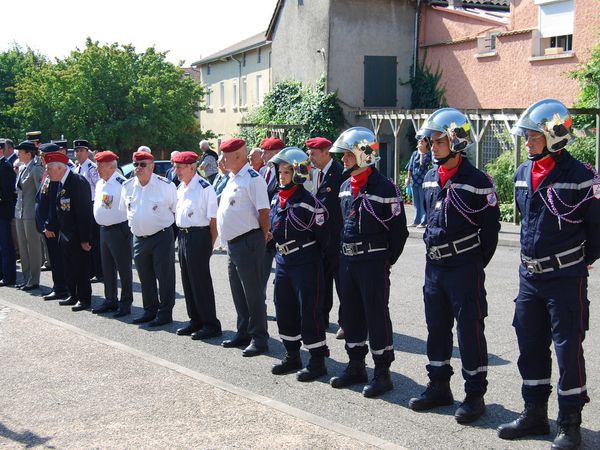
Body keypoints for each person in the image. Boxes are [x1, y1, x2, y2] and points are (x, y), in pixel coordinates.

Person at [497, 99, 600, 450]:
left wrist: (575, 262)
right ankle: (534, 414)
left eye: (533, 137)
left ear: (555, 137)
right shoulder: (523, 173)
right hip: (530, 278)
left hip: (565, 277)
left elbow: (597, 232)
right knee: (530, 344)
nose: (527, 142)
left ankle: (570, 422)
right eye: (526, 136)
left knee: (568, 349)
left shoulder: (582, 177)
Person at [408, 108, 500, 424]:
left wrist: (471, 262)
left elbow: (490, 234)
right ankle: (439, 386)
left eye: (438, 141)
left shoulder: (478, 181)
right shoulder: (431, 178)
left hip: (464, 266)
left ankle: (474, 395)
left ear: (456, 141)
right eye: (430, 141)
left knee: (470, 330)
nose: (432, 146)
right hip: (435, 268)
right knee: (436, 328)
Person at [328, 127, 409, 398]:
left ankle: (382, 372)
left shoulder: (385, 187)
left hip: (372, 261)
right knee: (350, 315)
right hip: (347, 260)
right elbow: (341, 225)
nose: (343, 160)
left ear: (363, 155)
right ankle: (355, 365)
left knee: (376, 315)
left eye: (348, 155)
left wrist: (384, 260)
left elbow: (399, 232)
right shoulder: (343, 187)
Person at [268, 147, 330, 381]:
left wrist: (309, 258)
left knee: (309, 311)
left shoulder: (308, 202)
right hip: (283, 261)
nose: (281, 176)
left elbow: (323, 237)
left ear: (298, 173)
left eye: (286, 172)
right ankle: (292, 354)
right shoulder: (277, 197)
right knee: (284, 308)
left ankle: (317, 360)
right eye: (279, 172)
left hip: (305, 261)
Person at [216, 137, 270, 357]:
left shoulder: (253, 179)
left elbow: (264, 212)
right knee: (238, 291)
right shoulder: (232, 178)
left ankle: (259, 338)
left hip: (248, 241)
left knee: (253, 293)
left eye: (225, 156)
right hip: (234, 243)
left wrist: (260, 237)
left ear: (237, 156)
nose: (221, 160)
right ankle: (243, 332)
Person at [120, 151, 177, 327]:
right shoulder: (127, 186)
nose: (138, 168)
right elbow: (126, 211)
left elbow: (175, 209)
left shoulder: (165, 185)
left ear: (152, 166)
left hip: (161, 236)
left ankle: (165, 313)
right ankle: (150, 310)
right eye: (135, 164)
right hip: (139, 238)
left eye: (143, 164)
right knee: (145, 276)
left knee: (165, 276)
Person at [173, 151, 222, 340]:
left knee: (200, 283)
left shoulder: (204, 188)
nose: (176, 170)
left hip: (198, 236)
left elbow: (213, 220)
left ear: (192, 167)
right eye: (176, 166)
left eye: (180, 167)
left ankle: (210, 324)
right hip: (183, 237)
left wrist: (209, 245)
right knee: (187, 280)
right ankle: (195, 319)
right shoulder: (182, 187)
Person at [306, 137, 347, 338]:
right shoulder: (315, 174)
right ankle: (322, 319)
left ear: (326, 152)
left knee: (342, 282)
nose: (310, 157)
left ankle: (346, 322)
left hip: (337, 237)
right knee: (322, 282)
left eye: (314, 153)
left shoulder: (339, 173)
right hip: (320, 238)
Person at [45, 151, 94, 312]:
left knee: (81, 267)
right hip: (65, 234)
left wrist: (85, 239)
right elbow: (60, 209)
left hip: (77, 234)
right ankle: (73, 294)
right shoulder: (60, 182)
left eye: (49, 169)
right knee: (69, 267)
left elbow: (84, 212)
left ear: (59, 168)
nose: (48, 172)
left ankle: (84, 298)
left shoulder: (77, 182)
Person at [92, 151, 133, 318]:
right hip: (104, 229)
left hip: (119, 229)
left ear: (111, 166)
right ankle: (110, 299)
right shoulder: (102, 182)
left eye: (100, 165)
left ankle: (125, 302)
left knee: (123, 268)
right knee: (107, 268)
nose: (97, 168)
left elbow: (129, 208)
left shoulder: (121, 183)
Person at [36, 144, 69, 300]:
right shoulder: (47, 173)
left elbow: (53, 204)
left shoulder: (55, 174)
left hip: (53, 226)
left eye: (43, 155)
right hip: (46, 225)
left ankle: (62, 288)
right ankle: (58, 286)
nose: (41, 158)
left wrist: (49, 224)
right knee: (54, 259)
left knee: (57, 259)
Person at [258, 137, 286, 305]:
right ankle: (259, 304)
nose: (262, 155)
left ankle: (281, 305)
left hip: (278, 228)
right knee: (261, 270)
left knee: (281, 272)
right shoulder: (262, 172)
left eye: (265, 152)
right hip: (264, 229)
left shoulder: (284, 173)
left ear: (276, 153)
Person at [14, 141, 44, 291]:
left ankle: (34, 279)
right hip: (20, 212)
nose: (18, 154)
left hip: (31, 212)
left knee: (33, 246)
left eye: (21, 151)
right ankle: (26, 278)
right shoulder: (23, 168)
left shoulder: (36, 168)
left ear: (28, 153)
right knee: (23, 247)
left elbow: (40, 193)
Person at [73, 139, 102, 283]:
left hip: (91, 205)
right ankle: (90, 269)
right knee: (84, 239)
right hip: (81, 207)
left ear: (87, 152)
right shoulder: (77, 168)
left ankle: (98, 271)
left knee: (93, 240)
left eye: (81, 150)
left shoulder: (91, 168)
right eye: (76, 151)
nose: (78, 153)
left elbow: (99, 187)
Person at [0, 139, 17, 287]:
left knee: (6, 245)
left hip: (4, 211)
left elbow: (7, 192)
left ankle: (8, 276)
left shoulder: (5, 166)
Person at [405, 137, 433, 227]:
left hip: (422, 181)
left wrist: (421, 155)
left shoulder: (428, 154)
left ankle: (424, 221)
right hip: (414, 181)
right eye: (419, 141)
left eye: (422, 141)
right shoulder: (414, 153)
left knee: (422, 201)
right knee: (416, 202)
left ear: (426, 143)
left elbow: (422, 164)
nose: (420, 143)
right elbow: (410, 167)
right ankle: (416, 220)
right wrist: (408, 178)